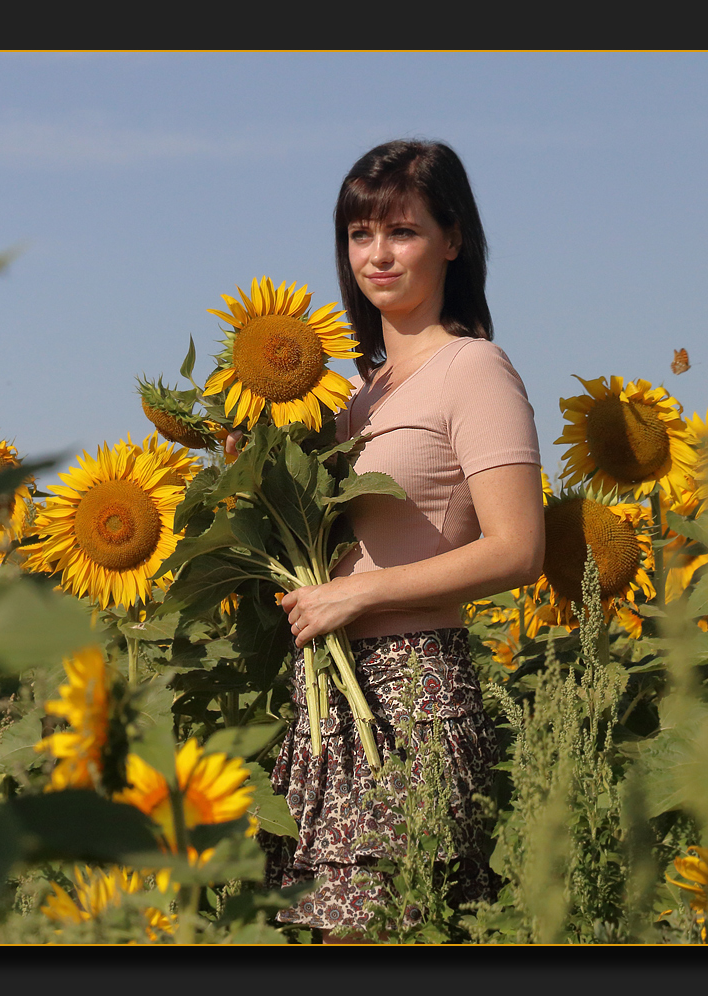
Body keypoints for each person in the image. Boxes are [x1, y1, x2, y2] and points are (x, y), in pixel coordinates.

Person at [256, 139, 546, 942]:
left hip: (413, 699)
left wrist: (358, 592)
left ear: (453, 239)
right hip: (322, 704)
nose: (376, 255)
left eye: (402, 232)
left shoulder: (475, 369)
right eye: (359, 235)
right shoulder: (348, 392)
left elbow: (519, 548)